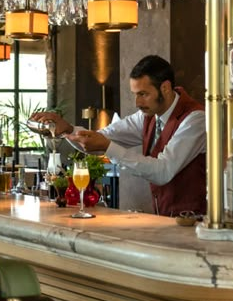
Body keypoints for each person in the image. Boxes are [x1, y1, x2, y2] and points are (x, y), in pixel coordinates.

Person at [33, 55, 206, 217]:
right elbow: (101, 138)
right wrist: (67, 130)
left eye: (143, 94)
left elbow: (163, 171)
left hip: (195, 222)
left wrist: (107, 147)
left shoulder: (195, 119)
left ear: (165, 88)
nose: (137, 103)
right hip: (166, 219)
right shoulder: (147, 117)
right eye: (135, 94)